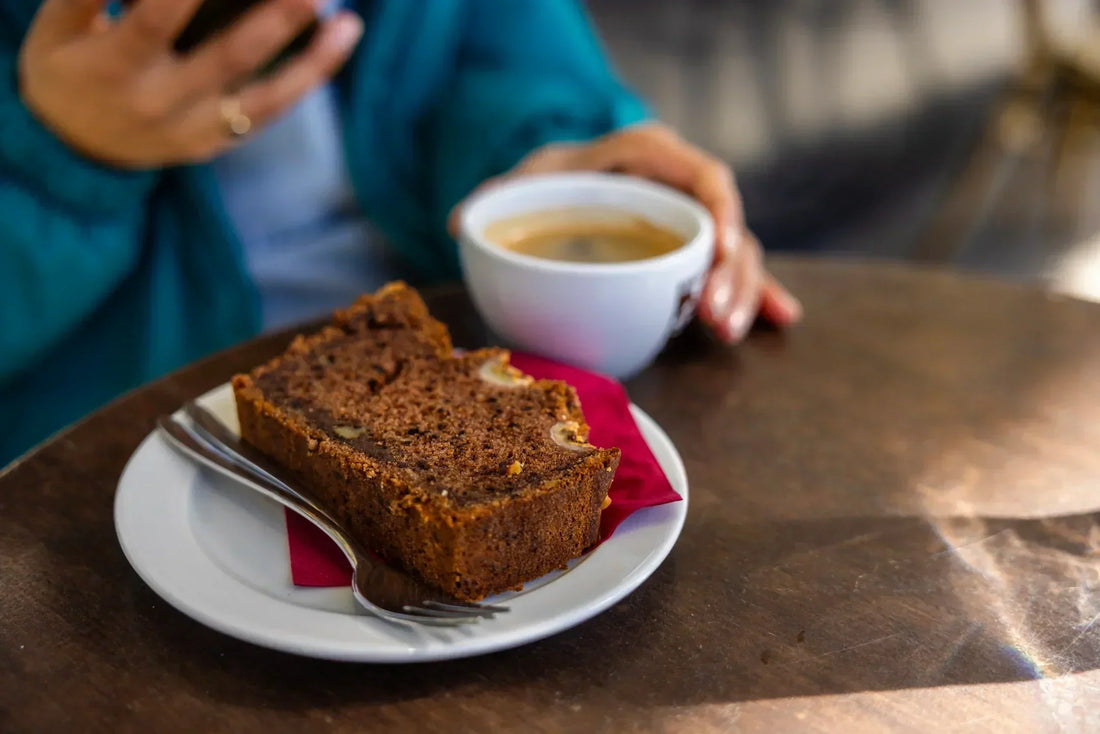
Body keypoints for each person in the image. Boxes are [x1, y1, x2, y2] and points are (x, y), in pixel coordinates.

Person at [0, 0, 801, 466]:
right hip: (111, 456)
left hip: (443, 363)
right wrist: (58, 157)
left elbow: (510, 59)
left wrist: (553, 168)